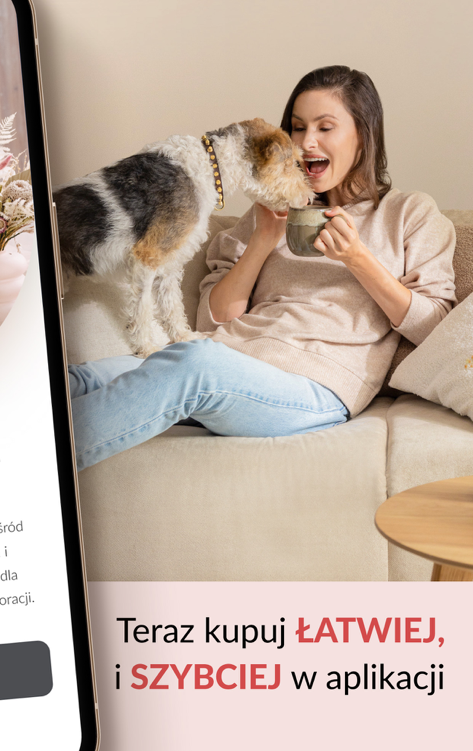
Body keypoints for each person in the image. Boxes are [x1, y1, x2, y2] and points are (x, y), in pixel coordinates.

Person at [69, 65, 456, 470]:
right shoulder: (268, 211)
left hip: (315, 388)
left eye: (326, 128)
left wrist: (358, 259)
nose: (307, 143)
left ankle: (33, 472)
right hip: (227, 361)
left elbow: (433, 329)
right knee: (79, 379)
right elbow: (213, 319)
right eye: (298, 127)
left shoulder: (408, 213)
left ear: (363, 135)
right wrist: (262, 241)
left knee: (193, 362)